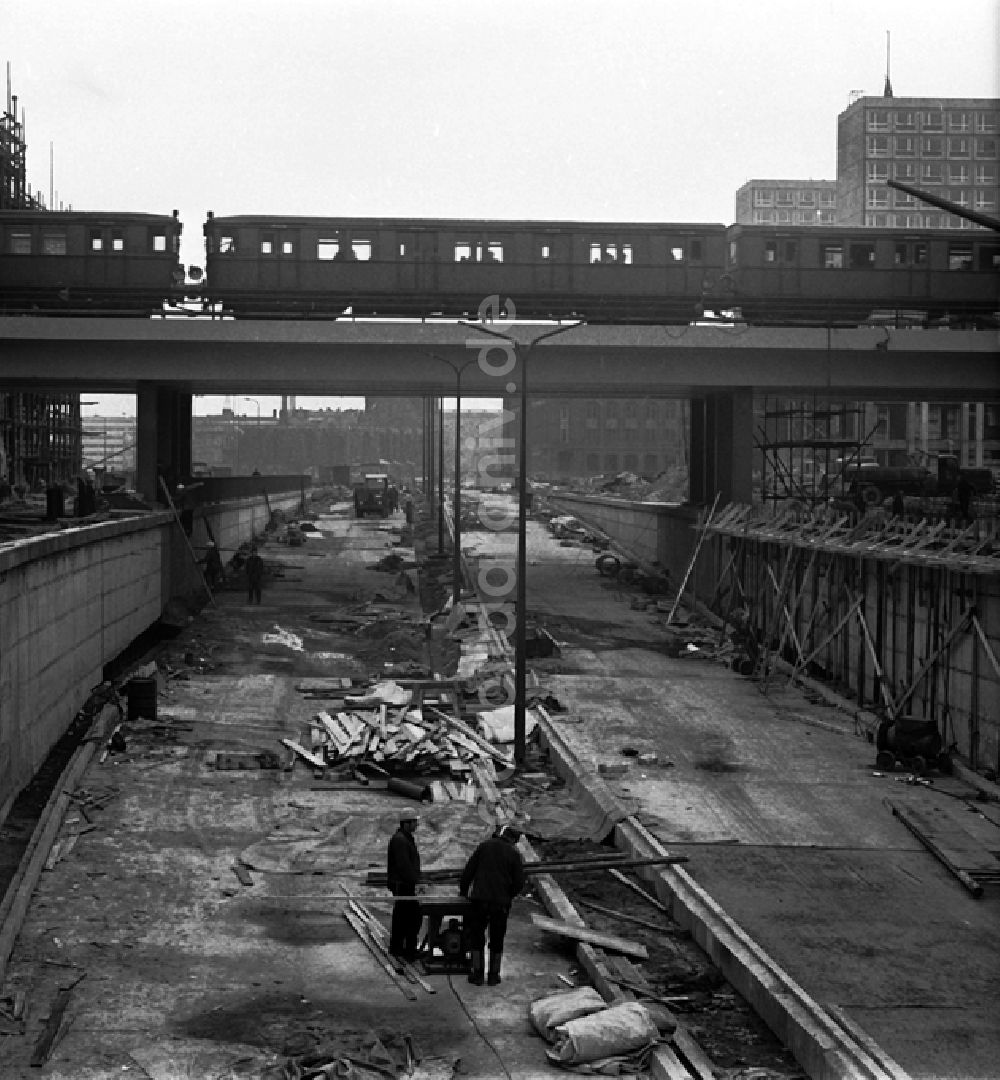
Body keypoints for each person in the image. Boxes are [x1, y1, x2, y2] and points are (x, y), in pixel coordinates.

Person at [459, 824, 526, 986]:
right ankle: (494, 975)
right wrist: (508, 895)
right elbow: (519, 882)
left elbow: (468, 871)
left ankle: (477, 974)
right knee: (497, 939)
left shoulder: (484, 847)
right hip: (501, 904)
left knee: (477, 937)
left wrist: (463, 891)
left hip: (479, 900)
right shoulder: (514, 853)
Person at [387, 810, 422, 961]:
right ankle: (405, 950)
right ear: (406, 823)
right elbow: (404, 866)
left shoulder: (405, 838)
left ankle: (401, 948)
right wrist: (416, 882)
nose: (416, 824)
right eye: (414, 822)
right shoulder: (400, 840)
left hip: (404, 884)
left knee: (404, 917)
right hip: (403, 885)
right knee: (409, 918)